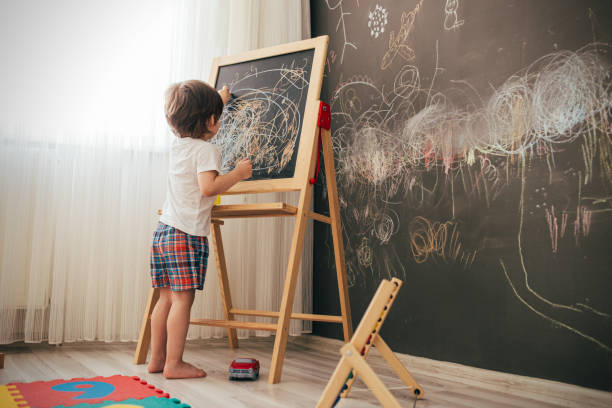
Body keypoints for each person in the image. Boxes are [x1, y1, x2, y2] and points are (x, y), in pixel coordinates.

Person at [148, 80, 252, 379]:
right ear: (210, 121)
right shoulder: (207, 150)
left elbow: (195, 118)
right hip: (186, 234)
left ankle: (156, 359)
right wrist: (237, 174)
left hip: (164, 231)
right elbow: (208, 188)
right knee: (183, 300)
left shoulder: (178, 145)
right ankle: (174, 363)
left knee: (165, 298)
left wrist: (217, 101)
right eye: (216, 117)